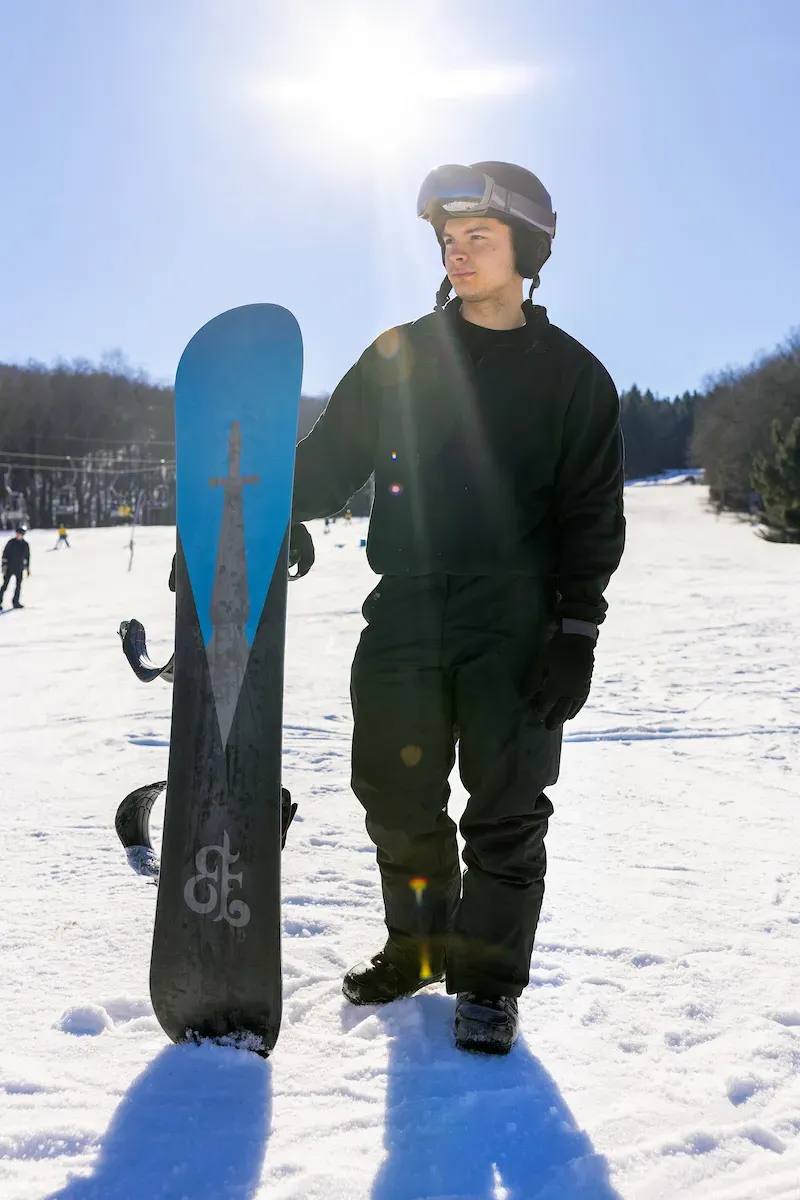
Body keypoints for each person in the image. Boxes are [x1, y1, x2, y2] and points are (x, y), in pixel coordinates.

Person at [291, 161, 626, 1054]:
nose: (460, 251)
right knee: (394, 796)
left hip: (515, 619)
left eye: (480, 236)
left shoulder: (573, 377)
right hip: (405, 606)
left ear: (529, 250)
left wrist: (576, 630)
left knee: (507, 809)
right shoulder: (401, 354)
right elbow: (329, 459)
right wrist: (275, 512)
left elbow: (593, 516)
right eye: (449, 238)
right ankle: (420, 946)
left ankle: (487, 982)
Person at [1, 525, 31, 609]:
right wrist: (4, 565)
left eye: (20, 534)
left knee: (18, 586)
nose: (19, 535)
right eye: (18, 534)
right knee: (5, 585)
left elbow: (27, 557)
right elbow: (5, 554)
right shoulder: (11, 542)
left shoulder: (25, 544)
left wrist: (27, 568)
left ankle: (16, 602)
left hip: (19, 568)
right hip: (9, 567)